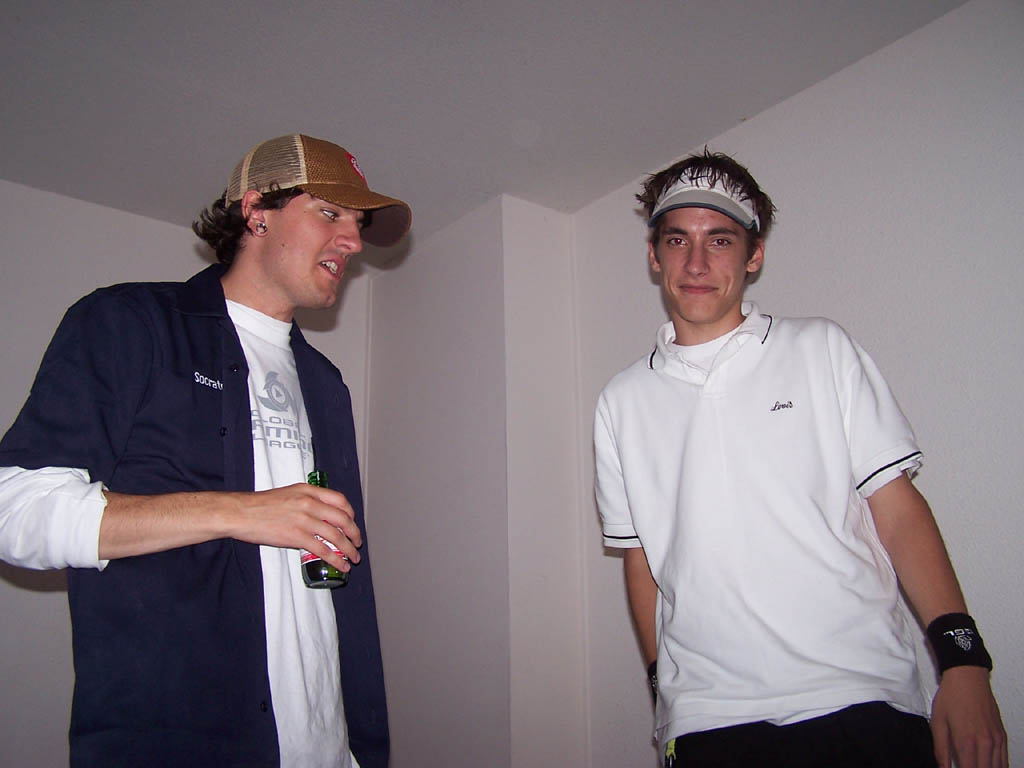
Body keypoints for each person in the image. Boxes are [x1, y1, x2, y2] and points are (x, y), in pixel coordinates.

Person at [0, 134, 411, 768]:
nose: (353, 241)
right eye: (330, 213)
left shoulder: (326, 384)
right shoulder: (129, 323)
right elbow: (15, 511)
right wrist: (239, 511)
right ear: (256, 211)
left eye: (358, 224)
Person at [593, 149, 1007, 768]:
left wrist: (963, 660)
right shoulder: (621, 400)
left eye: (720, 240)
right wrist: (664, 692)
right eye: (678, 240)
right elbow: (642, 559)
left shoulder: (821, 350)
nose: (696, 263)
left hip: (859, 696)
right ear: (655, 256)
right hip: (708, 721)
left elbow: (897, 511)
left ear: (754, 255)